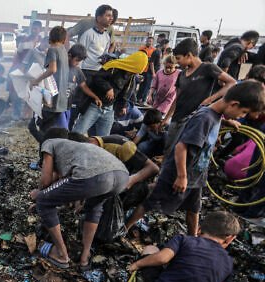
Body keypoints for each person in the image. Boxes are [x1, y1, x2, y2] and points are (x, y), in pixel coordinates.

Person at [126, 81, 265, 236]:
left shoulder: (215, 114)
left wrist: (226, 121)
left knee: (194, 209)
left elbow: (213, 119)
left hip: (197, 174)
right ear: (234, 104)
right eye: (243, 112)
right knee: (152, 202)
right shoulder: (205, 118)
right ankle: (125, 227)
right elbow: (181, 147)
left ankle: (193, 237)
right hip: (178, 173)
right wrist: (181, 176)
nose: (242, 117)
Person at [31, 138, 128, 269]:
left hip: (97, 176)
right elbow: (65, 185)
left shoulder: (48, 143)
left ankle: (62, 254)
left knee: (43, 201)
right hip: (122, 176)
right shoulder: (73, 150)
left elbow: (46, 181)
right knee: (94, 207)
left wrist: (39, 193)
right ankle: (84, 257)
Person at [162, 38, 236, 153]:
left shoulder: (208, 68)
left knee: (181, 152)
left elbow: (231, 83)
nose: (177, 62)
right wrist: (167, 118)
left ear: (189, 55)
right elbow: (177, 98)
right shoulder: (181, 74)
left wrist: (211, 99)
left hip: (194, 121)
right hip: (177, 118)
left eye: (178, 58)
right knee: (168, 150)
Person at [73, 51, 148, 136]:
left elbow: (125, 94)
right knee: (77, 133)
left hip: (109, 109)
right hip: (94, 105)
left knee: (103, 138)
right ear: (133, 64)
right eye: (134, 71)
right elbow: (97, 77)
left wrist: (123, 106)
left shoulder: (131, 77)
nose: (134, 73)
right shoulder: (114, 66)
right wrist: (108, 88)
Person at [86, 134, 159, 209]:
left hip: (129, 184)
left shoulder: (121, 146)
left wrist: (130, 181)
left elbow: (153, 168)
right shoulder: (86, 154)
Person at [31, 27, 71, 130]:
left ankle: (45, 145)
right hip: (61, 95)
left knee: (44, 128)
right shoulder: (63, 50)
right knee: (57, 127)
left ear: (51, 37)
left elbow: (52, 70)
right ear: (64, 39)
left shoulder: (52, 49)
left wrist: (36, 80)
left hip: (51, 94)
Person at [77, 5, 114, 81]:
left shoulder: (107, 37)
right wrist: (79, 75)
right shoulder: (88, 34)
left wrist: (106, 60)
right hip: (86, 71)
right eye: (108, 16)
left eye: (111, 16)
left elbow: (104, 54)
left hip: (99, 72)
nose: (111, 18)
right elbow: (80, 55)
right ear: (99, 18)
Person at [137, 37, 157, 105]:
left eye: (150, 41)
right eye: (148, 41)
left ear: (152, 42)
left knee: (147, 86)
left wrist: (154, 72)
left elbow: (154, 62)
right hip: (142, 69)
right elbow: (138, 57)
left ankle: (143, 100)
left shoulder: (154, 50)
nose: (149, 42)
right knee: (141, 85)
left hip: (149, 71)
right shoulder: (142, 49)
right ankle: (138, 98)